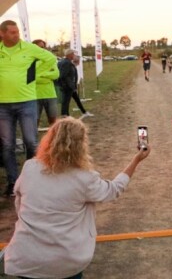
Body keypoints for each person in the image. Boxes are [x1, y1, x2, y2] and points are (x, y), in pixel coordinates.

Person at [3, 117, 151, 278]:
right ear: (81, 145)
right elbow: (113, 189)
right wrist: (136, 160)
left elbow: (19, 202)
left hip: (27, 258)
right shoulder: (85, 178)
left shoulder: (30, 167)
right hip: (66, 262)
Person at [0, 20, 57, 197]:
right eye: (12, 33)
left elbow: (51, 58)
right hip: (2, 105)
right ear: (2, 34)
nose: (17, 35)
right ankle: (12, 182)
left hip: (27, 102)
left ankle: (32, 180)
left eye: (17, 32)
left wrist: (35, 74)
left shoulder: (28, 48)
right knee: (7, 145)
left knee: (31, 142)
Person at [33, 39, 60, 130]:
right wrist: (48, 77)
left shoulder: (51, 61)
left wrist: (41, 75)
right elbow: (31, 78)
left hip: (50, 95)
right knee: (34, 120)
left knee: (53, 120)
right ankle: (34, 141)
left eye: (43, 47)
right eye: (39, 47)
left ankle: (53, 140)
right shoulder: (29, 62)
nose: (41, 49)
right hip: (35, 96)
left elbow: (56, 75)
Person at [58, 51, 94, 119]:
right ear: (70, 54)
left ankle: (84, 112)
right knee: (66, 102)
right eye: (73, 54)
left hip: (71, 86)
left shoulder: (65, 62)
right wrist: (70, 85)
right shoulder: (67, 63)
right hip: (68, 87)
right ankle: (65, 116)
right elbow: (63, 76)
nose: (74, 55)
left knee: (76, 99)